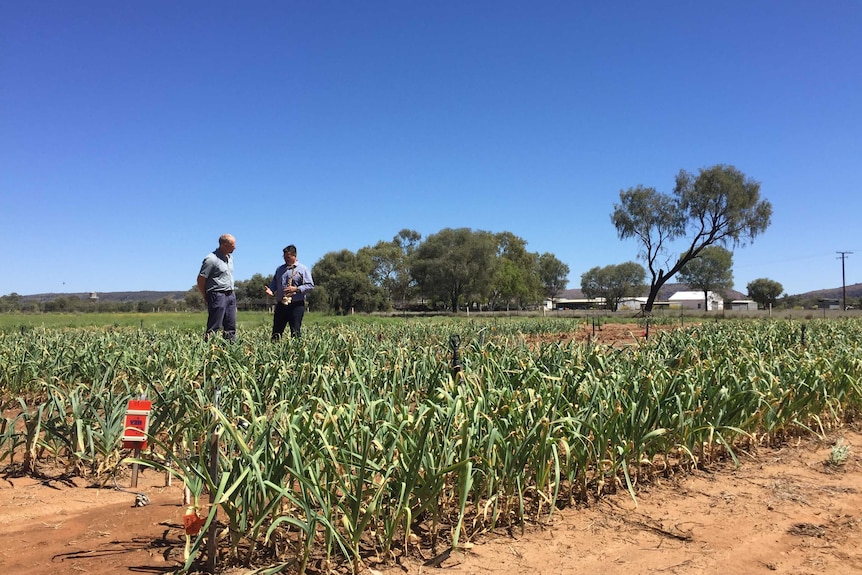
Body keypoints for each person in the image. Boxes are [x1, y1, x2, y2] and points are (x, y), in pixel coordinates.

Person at [265, 244, 314, 340]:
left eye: (288, 257)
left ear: (294, 256)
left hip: (296, 305)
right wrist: (270, 290)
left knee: (295, 331)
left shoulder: (302, 269)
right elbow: (274, 282)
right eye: (284, 257)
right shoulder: (280, 269)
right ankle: (274, 352)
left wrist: (296, 289)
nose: (285, 259)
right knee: (276, 332)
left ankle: (296, 352)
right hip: (281, 304)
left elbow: (310, 286)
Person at [197, 233, 237, 341]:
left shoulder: (230, 258)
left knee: (231, 326)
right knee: (214, 326)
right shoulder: (211, 259)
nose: (235, 247)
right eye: (233, 245)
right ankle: (209, 350)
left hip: (230, 294)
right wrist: (205, 295)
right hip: (217, 294)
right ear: (224, 245)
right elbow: (201, 279)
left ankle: (229, 351)